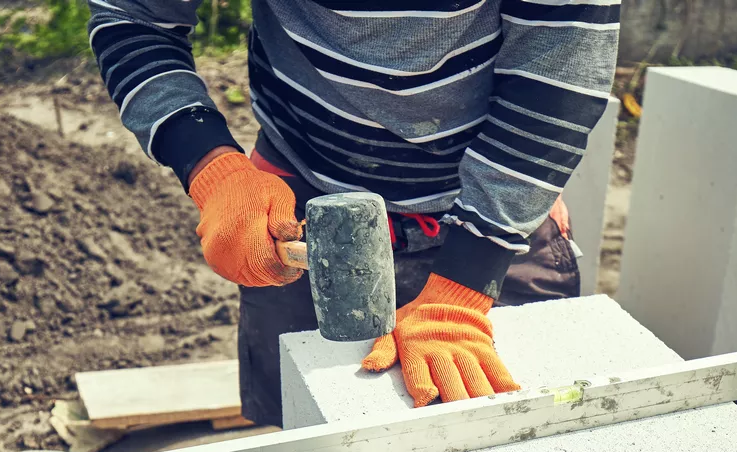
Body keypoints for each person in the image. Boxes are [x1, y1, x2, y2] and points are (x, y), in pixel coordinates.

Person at [88, 0, 620, 426]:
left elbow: (559, 63)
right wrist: (212, 168)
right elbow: (134, 16)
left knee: (508, 444)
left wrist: (470, 275)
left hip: (487, 211)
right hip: (300, 194)